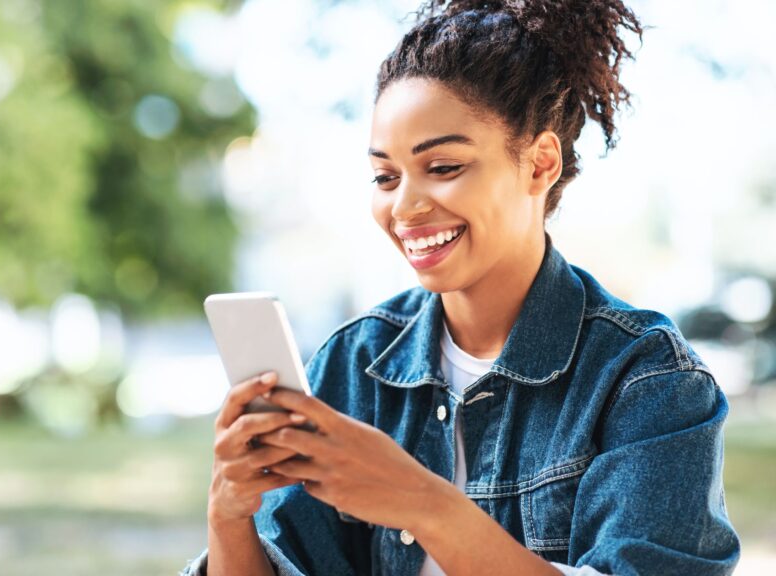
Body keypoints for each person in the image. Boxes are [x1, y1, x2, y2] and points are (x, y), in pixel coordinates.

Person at [181, 0, 741, 574]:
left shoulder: (646, 381)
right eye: (385, 176)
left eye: (443, 167)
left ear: (540, 163)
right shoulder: (354, 366)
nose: (405, 206)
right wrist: (228, 514)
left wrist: (424, 504)